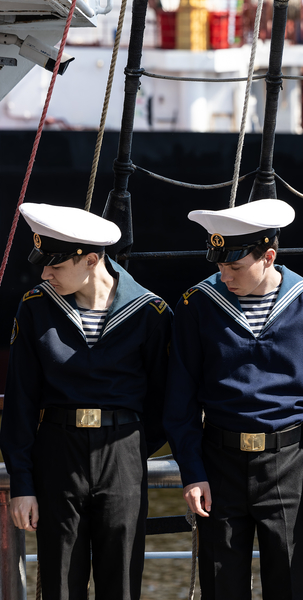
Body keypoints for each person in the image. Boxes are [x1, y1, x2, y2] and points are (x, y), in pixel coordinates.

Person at [163, 199, 303, 600]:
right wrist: (192, 470)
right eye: (219, 265)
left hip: (289, 465)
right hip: (218, 465)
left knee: (292, 587)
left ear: (268, 256)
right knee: (220, 586)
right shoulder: (197, 307)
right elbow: (180, 400)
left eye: (234, 266)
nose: (224, 275)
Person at [0, 203, 171, 599]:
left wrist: (131, 448)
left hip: (123, 453)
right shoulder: (35, 308)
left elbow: (165, 399)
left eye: (55, 266)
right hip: (58, 452)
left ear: (91, 260)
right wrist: (23, 482)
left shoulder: (149, 312)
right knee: (59, 584)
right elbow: (21, 403)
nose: (44, 273)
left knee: (122, 583)